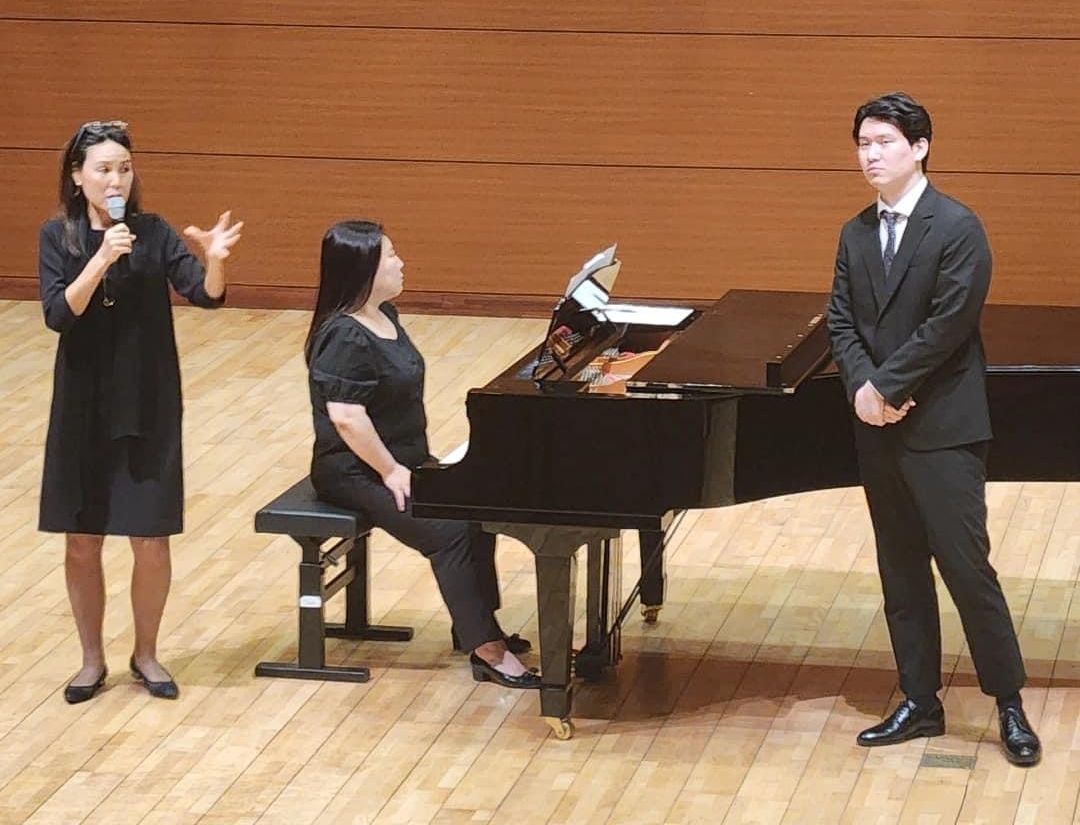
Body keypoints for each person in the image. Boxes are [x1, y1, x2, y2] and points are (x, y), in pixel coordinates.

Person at [827, 92, 1040, 765]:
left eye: (884, 141)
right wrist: (862, 389)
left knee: (966, 568)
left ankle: (1009, 702)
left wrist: (886, 388)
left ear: (919, 148)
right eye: (863, 143)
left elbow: (948, 325)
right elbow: (841, 321)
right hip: (877, 427)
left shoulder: (957, 227)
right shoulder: (856, 232)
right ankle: (920, 699)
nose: (870, 154)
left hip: (942, 427)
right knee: (900, 569)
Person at [39, 120, 243, 703]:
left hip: (148, 401)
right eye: (103, 169)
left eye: (124, 169)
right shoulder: (58, 236)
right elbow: (59, 313)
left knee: (151, 537)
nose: (116, 180)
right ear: (77, 176)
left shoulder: (152, 231)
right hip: (83, 407)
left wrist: (215, 260)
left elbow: (205, 294)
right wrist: (101, 259)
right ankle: (90, 660)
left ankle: (146, 654)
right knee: (82, 540)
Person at [304, 220, 539, 689]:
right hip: (355, 470)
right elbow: (346, 418)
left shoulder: (384, 315)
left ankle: (476, 626)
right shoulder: (344, 336)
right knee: (447, 532)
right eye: (391, 256)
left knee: (474, 508)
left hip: (403, 459)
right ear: (364, 269)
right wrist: (391, 470)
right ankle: (487, 650)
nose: (401, 262)